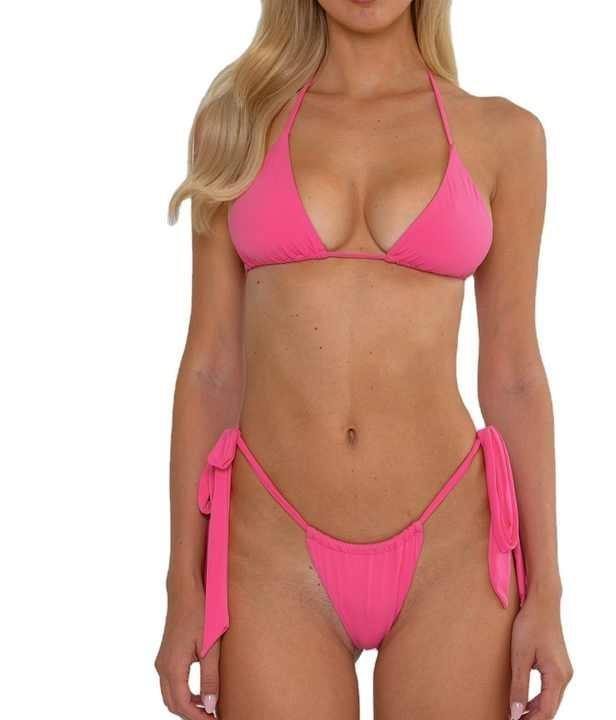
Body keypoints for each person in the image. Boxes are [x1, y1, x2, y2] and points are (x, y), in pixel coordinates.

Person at [155, 1, 572, 718]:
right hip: (270, 550)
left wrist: (548, 595)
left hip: (451, 548)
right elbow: (210, 367)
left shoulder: (504, 137)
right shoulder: (237, 124)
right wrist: (182, 586)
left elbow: (514, 377)